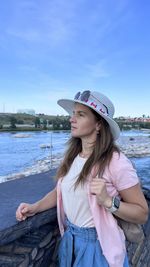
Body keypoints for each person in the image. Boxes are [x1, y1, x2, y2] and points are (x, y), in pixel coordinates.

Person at [16, 90, 148, 267]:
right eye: (73, 114)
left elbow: (142, 214)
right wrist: (35, 207)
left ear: (98, 125)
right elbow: (60, 192)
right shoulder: (72, 156)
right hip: (70, 240)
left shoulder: (116, 162)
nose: (72, 119)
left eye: (81, 114)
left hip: (99, 247)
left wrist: (109, 202)